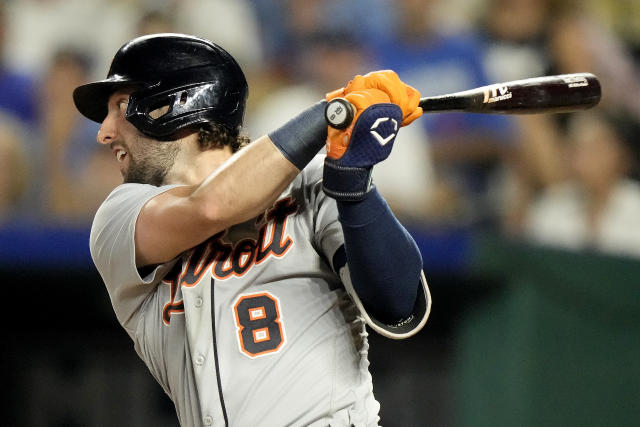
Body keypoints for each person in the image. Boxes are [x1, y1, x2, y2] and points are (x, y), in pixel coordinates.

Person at [73, 33, 431, 426]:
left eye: (120, 107)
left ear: (175, 102)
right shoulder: (120, 215)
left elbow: (396, 304)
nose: (104, 132)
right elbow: (212, 206)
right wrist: (331, 112)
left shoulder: (312, 184)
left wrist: (355, 190)